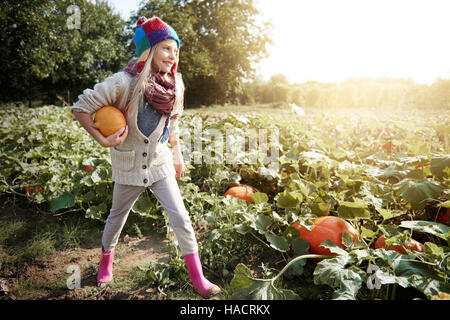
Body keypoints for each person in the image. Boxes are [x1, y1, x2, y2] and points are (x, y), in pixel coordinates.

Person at [70, 16, 221, 299]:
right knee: (117, 217)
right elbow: (80, 106)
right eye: (165, 48)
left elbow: (172, 124)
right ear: (148, 50)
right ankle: (106, 262)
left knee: (181, 218)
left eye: (175, 50)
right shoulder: (123, 83)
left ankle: (199, 279)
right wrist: (102, 139)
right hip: (128, 163)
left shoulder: (176, 84)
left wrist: (177, 156)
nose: (172, 55)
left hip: (159, 162)